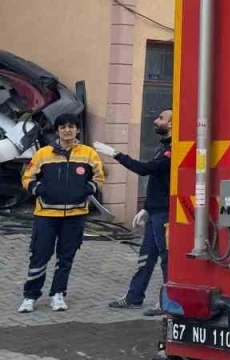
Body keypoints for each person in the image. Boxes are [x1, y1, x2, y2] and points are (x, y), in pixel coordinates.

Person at [18, 113, 105, 313]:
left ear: (77, 130)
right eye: (63, 127)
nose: (68, 130)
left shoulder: (88, 154)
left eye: (71, 126)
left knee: (66, 258)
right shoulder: (43, 154)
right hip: (46, 216)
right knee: (39, 256)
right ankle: (30, 296)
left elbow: (100, 176)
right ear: (57, 131)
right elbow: (27, 178)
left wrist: (88, 189)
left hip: (75, 216)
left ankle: (58, 295)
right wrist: (39, 190)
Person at [96, 108, 172, 314]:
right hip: (155, 212)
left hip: (165, 214)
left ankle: (168, 302)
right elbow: (159, 183)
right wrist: (146, 208)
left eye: (161, 118)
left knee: (167, 259)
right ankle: (134, 297)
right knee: (146, 257)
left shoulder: (172, 151)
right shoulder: (163, 148)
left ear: (172, 125)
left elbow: (146, 170)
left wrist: (116, 154)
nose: (156, 121)